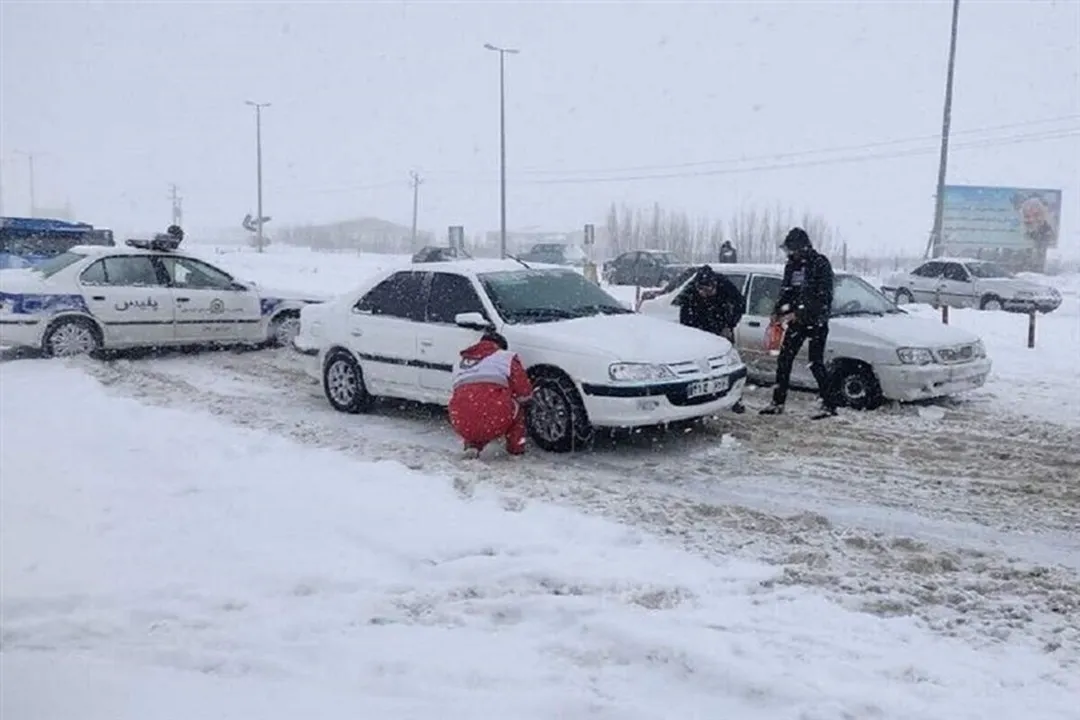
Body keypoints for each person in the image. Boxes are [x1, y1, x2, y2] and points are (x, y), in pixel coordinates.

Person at [759, 227, 837, 419]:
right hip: (796, 321)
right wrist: (778, 311)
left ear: (802, 247)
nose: (790, 253)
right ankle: (777, 402)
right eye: (788, 250)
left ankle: (829, 404)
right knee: (784, 359)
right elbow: (786, 291)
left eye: (792, 249)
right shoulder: (791, 266)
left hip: (816, 320)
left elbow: (823, 296)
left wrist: (800, 312)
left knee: (815, 363)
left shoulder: (820, 264)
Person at [448, 329, 533, 458]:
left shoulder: (459, 363)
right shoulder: (506, 357)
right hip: (494, 417)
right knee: (517, 408)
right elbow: (524, 392)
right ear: (501, 346)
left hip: (460, 420)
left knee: (472, 408)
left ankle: (473, 445)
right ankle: (516, 449)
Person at [679, 265, 747, 414]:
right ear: (697, 287)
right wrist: (689, 335)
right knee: (699, 366)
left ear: (715, 284)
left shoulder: (724, 284)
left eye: (710, 290)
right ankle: (698, 399)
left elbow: (741, 304)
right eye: (702, 291)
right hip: (699, 327)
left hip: (722, 324)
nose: (706, 294)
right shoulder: (690, 293)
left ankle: (735, 398)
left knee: (728, 364)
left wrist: (730, 324)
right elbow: (684, 317)